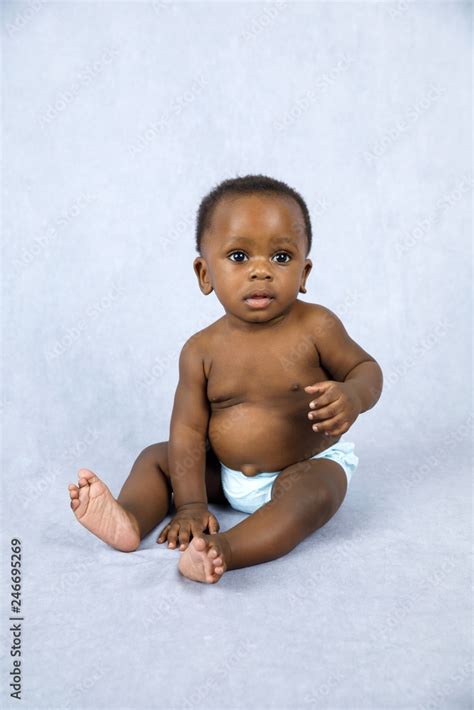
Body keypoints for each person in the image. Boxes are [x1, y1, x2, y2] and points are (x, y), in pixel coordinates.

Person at [68, 174, 383, 584]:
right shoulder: (201, 350)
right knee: (157, 457)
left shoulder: (317, 327)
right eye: (238, 257)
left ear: (304, 272)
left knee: (315, 493)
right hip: (226, 473)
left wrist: (353, 395)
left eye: (281, 258)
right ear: (205, 273)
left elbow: (366, 369)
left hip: (303, 467)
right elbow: (188, 429)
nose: (260, 272)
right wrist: (192, 504)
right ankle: (129, 518)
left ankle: (226, 551)